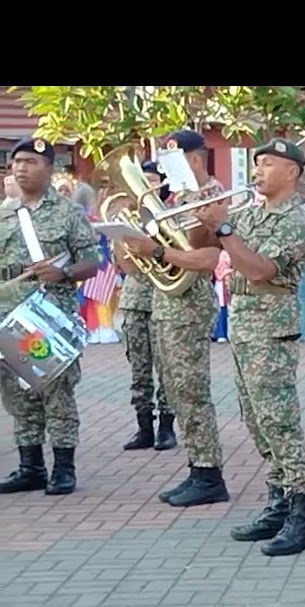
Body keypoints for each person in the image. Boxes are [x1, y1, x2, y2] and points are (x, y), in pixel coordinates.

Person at [194, 139, 305, 555]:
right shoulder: (247, 213)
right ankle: (278, 501)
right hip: (245, 328)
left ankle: (301, 516)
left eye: (269, 163)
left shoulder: (299, 219)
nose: (259, 169)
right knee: (256, 421)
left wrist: (225, 228)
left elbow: (262, 270)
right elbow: (208, 250)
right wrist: (205, 218)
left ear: (292, 172)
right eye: (257, 163)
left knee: (280, 422)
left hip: (272, 328)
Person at [119, 130, 230, 508]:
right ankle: (197, 467)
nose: (164, 172)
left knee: (191, 390)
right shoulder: (179, 199)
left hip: (189, 303)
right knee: (177, 390)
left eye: (169, 163)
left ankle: (209, 472)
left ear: (194, 161)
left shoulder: (212, 199)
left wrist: (157, 250)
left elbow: (207, 259)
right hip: (166, 303)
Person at [0, 136, 102, 496]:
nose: (21, 168)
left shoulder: (68, 212)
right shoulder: (4, 213)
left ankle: (63, 467)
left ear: (49, 168)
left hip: (50, 316)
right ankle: (30, 467)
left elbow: (93, 262)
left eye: (30, 161)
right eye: (17, 162)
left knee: (57, 392)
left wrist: (64, 273)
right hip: (9, 315)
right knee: (16, 394)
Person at [117, 160, 177, 453]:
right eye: (143, 181)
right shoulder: (128, 217)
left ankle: (167, 428)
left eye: (152, 180)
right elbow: (126, 265)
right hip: (135, 300)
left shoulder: (172, 216)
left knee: (167, 367)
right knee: (139, 369)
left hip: (165, 300)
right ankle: (144, 428)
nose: (147, 187)